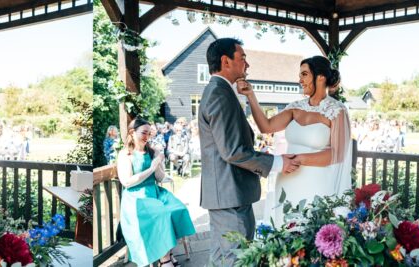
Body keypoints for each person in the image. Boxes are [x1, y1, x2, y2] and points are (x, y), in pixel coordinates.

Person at [197, 38, 300, 265]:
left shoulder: (221, 91)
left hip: (226, 193)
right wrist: (277, 163)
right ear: (226, 61)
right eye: (242, 58)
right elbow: (232, 151)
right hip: (229, 194)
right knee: (237, 258)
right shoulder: (219, 93)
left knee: (222, 257)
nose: (247, 65)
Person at [237, 55, 352, 223]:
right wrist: (251, 96)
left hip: (317, 184)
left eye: (304, 74)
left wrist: (298, 159)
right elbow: (266, 127)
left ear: (321, 77)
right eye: (300, 75)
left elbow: (338, 154)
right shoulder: (295, 107)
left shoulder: (337, 110)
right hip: (288, 180)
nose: (300, 80)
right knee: (285, 230)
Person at [117, 118, 195, 267]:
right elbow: (126, 182)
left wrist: (158, 162)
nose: (147, 137)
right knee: (162, 215)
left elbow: (159, 177)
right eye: (143, 133)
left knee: (177, 209)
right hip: (136, 198)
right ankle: (164, 260)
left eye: (149, 133)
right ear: (132, 133)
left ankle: (167, 253)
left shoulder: (151, 151)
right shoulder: (125, 154)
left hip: (155, 192)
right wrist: (151, 168)